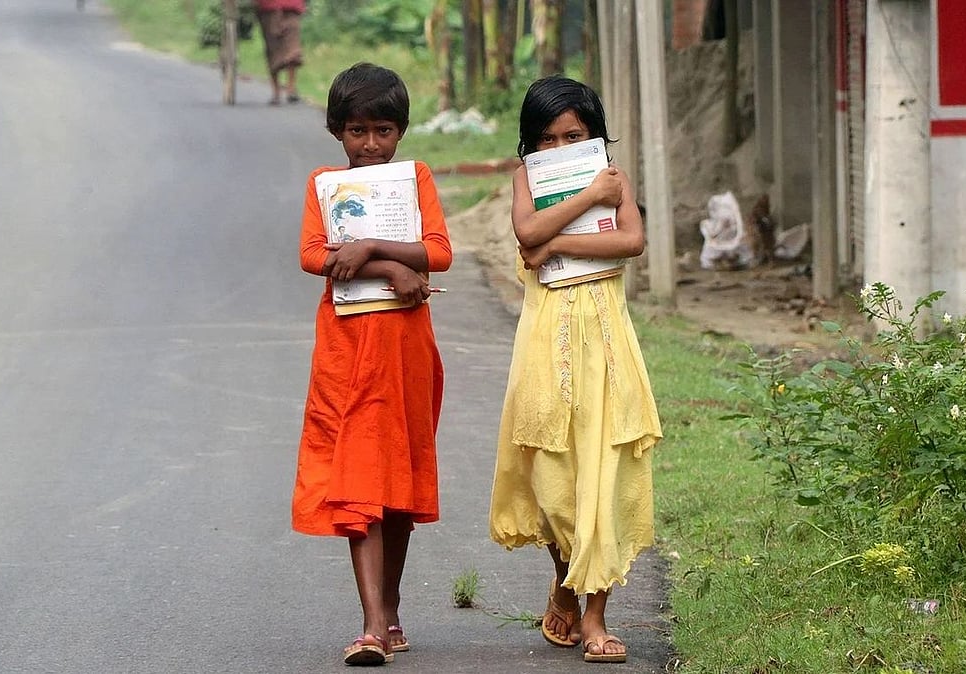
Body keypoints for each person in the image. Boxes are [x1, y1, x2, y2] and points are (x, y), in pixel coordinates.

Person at [488, 75, 662, 664]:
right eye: (546, 139)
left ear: (595, 136)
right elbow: (527, 233)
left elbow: (632, 241)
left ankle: (595, 616)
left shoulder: (616, 178)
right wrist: (587, 201)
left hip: (607, 341)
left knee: (605, 469)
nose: (559, 150)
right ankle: (564, 580)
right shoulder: (528, 181)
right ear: (529, 145)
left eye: (574, 136)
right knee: (555, 473)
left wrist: (557, 248)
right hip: (546, 340)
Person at [292, 62, 452, 667]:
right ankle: (372, 626)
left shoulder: (417, 181)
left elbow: (439, 251)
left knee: (398, 482)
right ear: (337, 131)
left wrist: (371, 248)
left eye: (383, 130)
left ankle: (390, 607)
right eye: (357, 131)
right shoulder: (325, 186)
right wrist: (390, 268)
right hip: (345, 350)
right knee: (358, 478)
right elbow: (312, 255)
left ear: (401, 131)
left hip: (406, 349)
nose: (370, 145)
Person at [254, 0, 306, 105]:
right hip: (269, 8)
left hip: (290, 7)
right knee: (273, 49)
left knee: (292, 49)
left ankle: (290, 89)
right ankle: (276, 91)